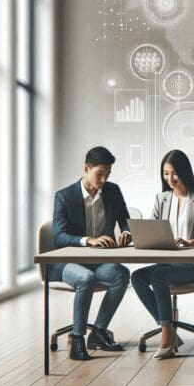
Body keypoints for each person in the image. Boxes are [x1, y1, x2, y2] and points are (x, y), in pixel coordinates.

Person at [131, 150, 194, 359]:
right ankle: (168, 328)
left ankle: (167, 335)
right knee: (137, 277)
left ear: (185, 172)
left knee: (158, 277)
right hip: (167, 263)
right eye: (165, 173)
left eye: (174, 173)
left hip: (192, 266)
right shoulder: (162, 199)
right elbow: (153, 228)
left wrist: (188, 242)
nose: (170, 179)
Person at [51, 146, 131, 361]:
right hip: (67, 262)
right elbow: (59, 237)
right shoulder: (64, 196)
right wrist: (89, 241)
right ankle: (77, 340)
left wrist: (126, 232)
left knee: (121, 274)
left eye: (108, 174)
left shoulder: (113, 191)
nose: (104, 179)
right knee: (85, 278)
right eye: (99, 173)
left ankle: (98, 332)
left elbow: (126, 220)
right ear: (87, 168)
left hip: (99, 261)